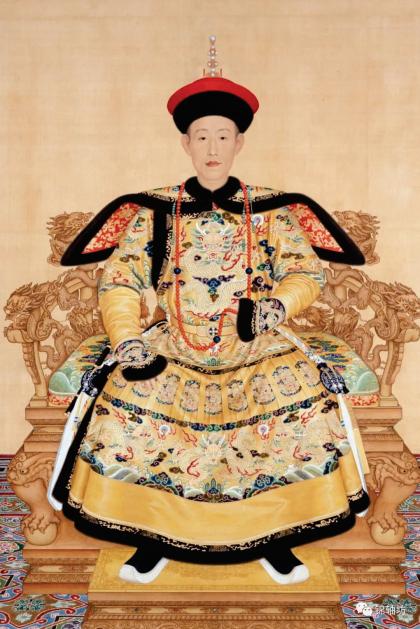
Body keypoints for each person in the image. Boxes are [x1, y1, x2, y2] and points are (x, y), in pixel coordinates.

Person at [50, 39, 370, 587]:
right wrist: (127, 337)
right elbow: (122, 280)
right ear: (185, 143)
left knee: (293, 403)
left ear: (240, 141)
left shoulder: (272, 210)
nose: (212, 147)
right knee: (132, 403)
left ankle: (276, 536)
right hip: (176, 339)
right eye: (202, 137)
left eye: (223, 136)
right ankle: (153, 535)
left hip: (257, 341)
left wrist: (277, 306)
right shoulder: (154, 211)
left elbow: (306, 273)